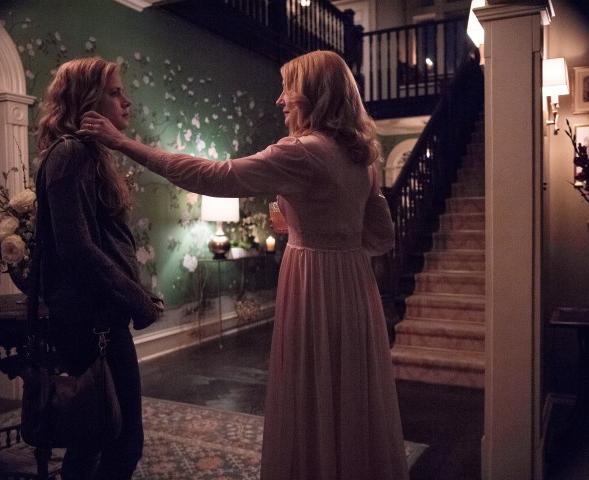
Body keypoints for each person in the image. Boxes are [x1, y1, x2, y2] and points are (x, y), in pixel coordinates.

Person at [79, 50, 408, 480]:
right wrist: (317, 229)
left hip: (314, 284)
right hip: (354, 285)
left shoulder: (303, 151)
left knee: (312, 389)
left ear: (313, 95)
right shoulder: (361, 157)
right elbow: (380, 237)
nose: (281, 100)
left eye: (288, 89)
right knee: (351, 391)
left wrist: (124, 143)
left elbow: (214, 176)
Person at [36, 56, 163, 479]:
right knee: (121, 443)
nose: (126, 102)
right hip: (93, 324)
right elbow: (77, 249)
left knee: (93, 438)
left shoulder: (86, 154)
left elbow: (103, 244)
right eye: (114, 92)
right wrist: (138, 302)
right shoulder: (71, 153)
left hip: (100, 317)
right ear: (87, 100)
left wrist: (137, 295)